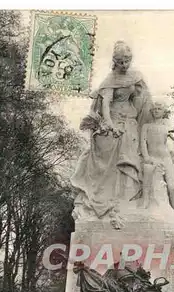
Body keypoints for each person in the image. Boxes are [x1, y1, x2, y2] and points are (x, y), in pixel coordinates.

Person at [71, 40, 152, 228]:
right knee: (115, 156)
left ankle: (129, 201)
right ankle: (113, 202)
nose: (125, 65)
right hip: (114, 121)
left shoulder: (135, 77)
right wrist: (110, 124)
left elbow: (142, 100)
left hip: (131, 121)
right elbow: (105, 106)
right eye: (121, 62)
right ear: (115, 61)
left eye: (127, 61)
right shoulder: (109, 81)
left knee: (132, 154)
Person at [140, 101, 174, 213]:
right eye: (154, 109)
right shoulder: (146, 126)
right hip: (152, 157)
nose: (156, 111)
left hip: (165, 158)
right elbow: (143, 143)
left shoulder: (167, 127)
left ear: (163, 112)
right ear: (151, 111)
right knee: (147, 181)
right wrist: (146, 157)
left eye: (159, 109)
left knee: (172, 186)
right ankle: (145, 202)